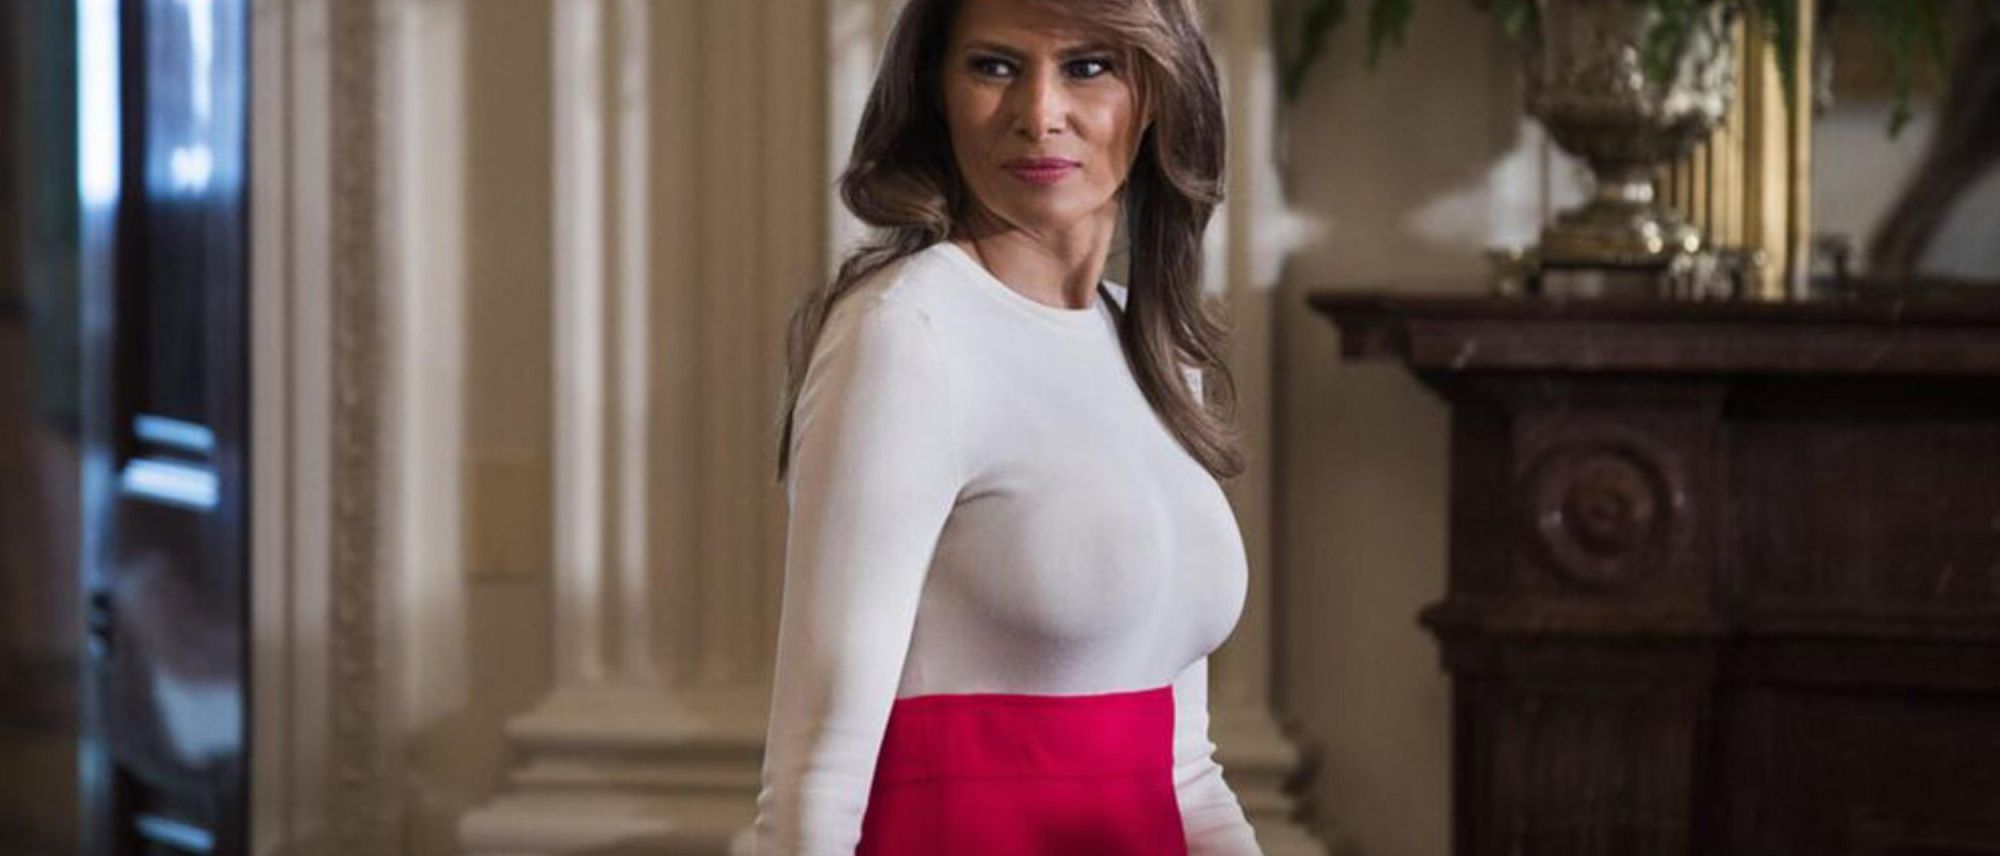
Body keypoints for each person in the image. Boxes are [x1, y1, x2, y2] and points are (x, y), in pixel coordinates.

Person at [749, 0, 1262, 853]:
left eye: (1088, 67)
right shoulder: (908, 333)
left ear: (1157, 94)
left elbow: (1185, 771)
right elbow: (818, 777)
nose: (1039, 113)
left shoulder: (1160, 350)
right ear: (936, 94)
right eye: (994, 67)